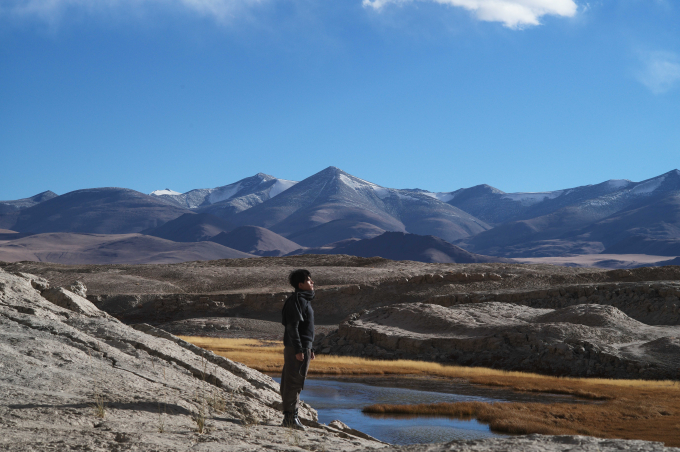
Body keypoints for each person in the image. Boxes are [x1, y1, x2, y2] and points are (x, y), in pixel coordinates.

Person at [280, 269, 315, 430]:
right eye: (309, 280)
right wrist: (299, 349)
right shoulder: (297, 300)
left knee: (294, 381)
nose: (312, 282)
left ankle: (292, 417)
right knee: (294, 382)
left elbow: (304, 328)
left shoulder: (303, 300)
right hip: (296, 348)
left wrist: (309, 348)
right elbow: (292, 327)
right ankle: (290, 419)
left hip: (302, 347)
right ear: (300, 284)